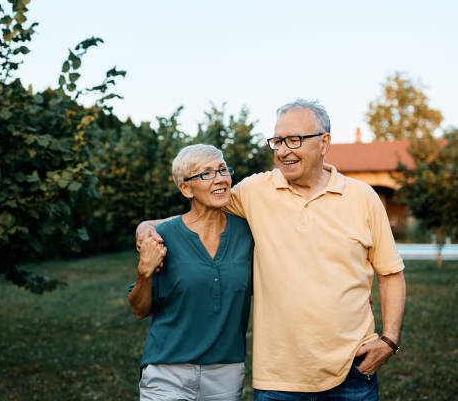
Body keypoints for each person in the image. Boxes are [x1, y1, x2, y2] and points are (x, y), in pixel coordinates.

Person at [136, 99, 406, 400]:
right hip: (279, 380)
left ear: (324, 142)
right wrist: (146, 226)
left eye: (294, 140)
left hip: (353, 369)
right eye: (277, 141)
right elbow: (200, 211)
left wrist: (390, 339)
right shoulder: (254, 191)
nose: (282, 150)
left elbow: (391, 273)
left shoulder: (362, 197)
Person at [128, 144, 254, 401]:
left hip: (226, 373)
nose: (219, 178)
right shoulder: (164, 237)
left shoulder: (248, 233)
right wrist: (144, 273)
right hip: (167, 371)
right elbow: (139, 310)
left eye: (222, 169)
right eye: (206, 173)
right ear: (186, 188)